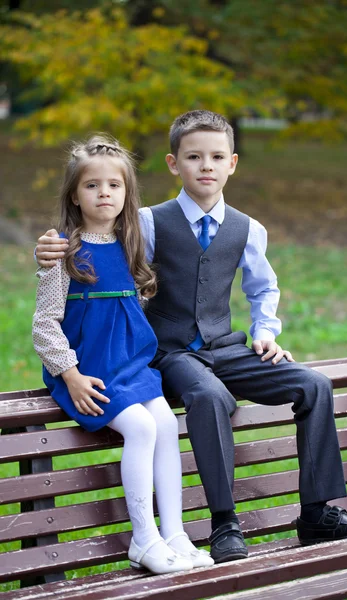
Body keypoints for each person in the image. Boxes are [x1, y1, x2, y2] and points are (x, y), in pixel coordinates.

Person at [36, 112, 347, 564]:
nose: (206, 166)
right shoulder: (147, 222)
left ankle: (317, 511)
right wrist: (47, 248)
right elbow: (94, 238)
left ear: (233, 163)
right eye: (194, 157)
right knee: (209, 395)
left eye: (217, 157)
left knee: (312, 384)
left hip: (228, 347)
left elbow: (264, 286)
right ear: (174, 163)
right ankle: (224, 524)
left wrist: (266, 332)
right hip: (171, 350)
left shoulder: (247, 228)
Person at [32, 134, 214, 574]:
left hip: (131, 366)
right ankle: (144, 539)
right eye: (92, 185)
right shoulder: (62, 251)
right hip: (88, 371)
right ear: (75, 195)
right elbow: (43, 324)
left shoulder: (131, 243)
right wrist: (70, 375)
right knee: (140, 428)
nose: (104, 193)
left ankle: (174, 533)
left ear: (127, 192)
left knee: (167, 424)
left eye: (114, 185)